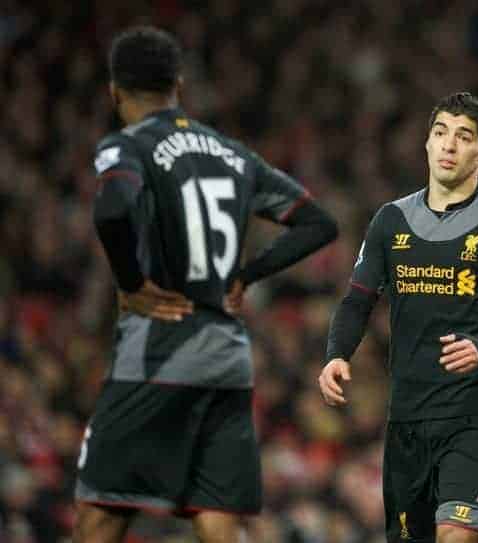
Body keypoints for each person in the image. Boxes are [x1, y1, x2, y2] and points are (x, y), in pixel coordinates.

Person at [74, 26, 338, 543]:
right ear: (179, 85)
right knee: (217, 519)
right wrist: (246, 275)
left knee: (100, 515)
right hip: (227, 358)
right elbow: (318, 223)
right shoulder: (232, 153)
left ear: (114, 90)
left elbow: (111, 207)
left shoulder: (128, 146)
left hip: (160, 345)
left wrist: (130, 283)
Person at [319, 92, 478, 543]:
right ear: (426, 143)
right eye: (440, 133)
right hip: (407, 415)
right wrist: (337, 354)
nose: (448, 145)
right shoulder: (391, 220)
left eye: (463, 137)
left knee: (456, 534)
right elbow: (358, 300)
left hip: (477, 414)